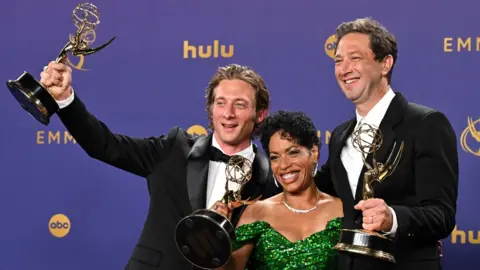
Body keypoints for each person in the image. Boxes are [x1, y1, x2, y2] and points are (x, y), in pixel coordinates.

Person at [39, 62, 283, 270]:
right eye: (220, 103)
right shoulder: (174, 150)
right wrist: (65, 100)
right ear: (211, 109)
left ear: (260, 114)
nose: (228, 113)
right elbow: (104, 145)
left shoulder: (273, 182)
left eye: (239, 105)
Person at [317, 17, 459, 270]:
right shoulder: (340, 136)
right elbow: (318, 192)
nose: (344, 68)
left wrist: (392, 217)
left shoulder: (425, 123)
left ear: (385, 63)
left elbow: (441, 215)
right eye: (338, 60)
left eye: (355, 58)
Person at [211, 110, 344, 269]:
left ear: (314, 153)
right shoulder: (256, 212)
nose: (283, 165)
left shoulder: (341, 210)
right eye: (275, 157)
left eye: (293, 152)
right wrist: (214, 236)